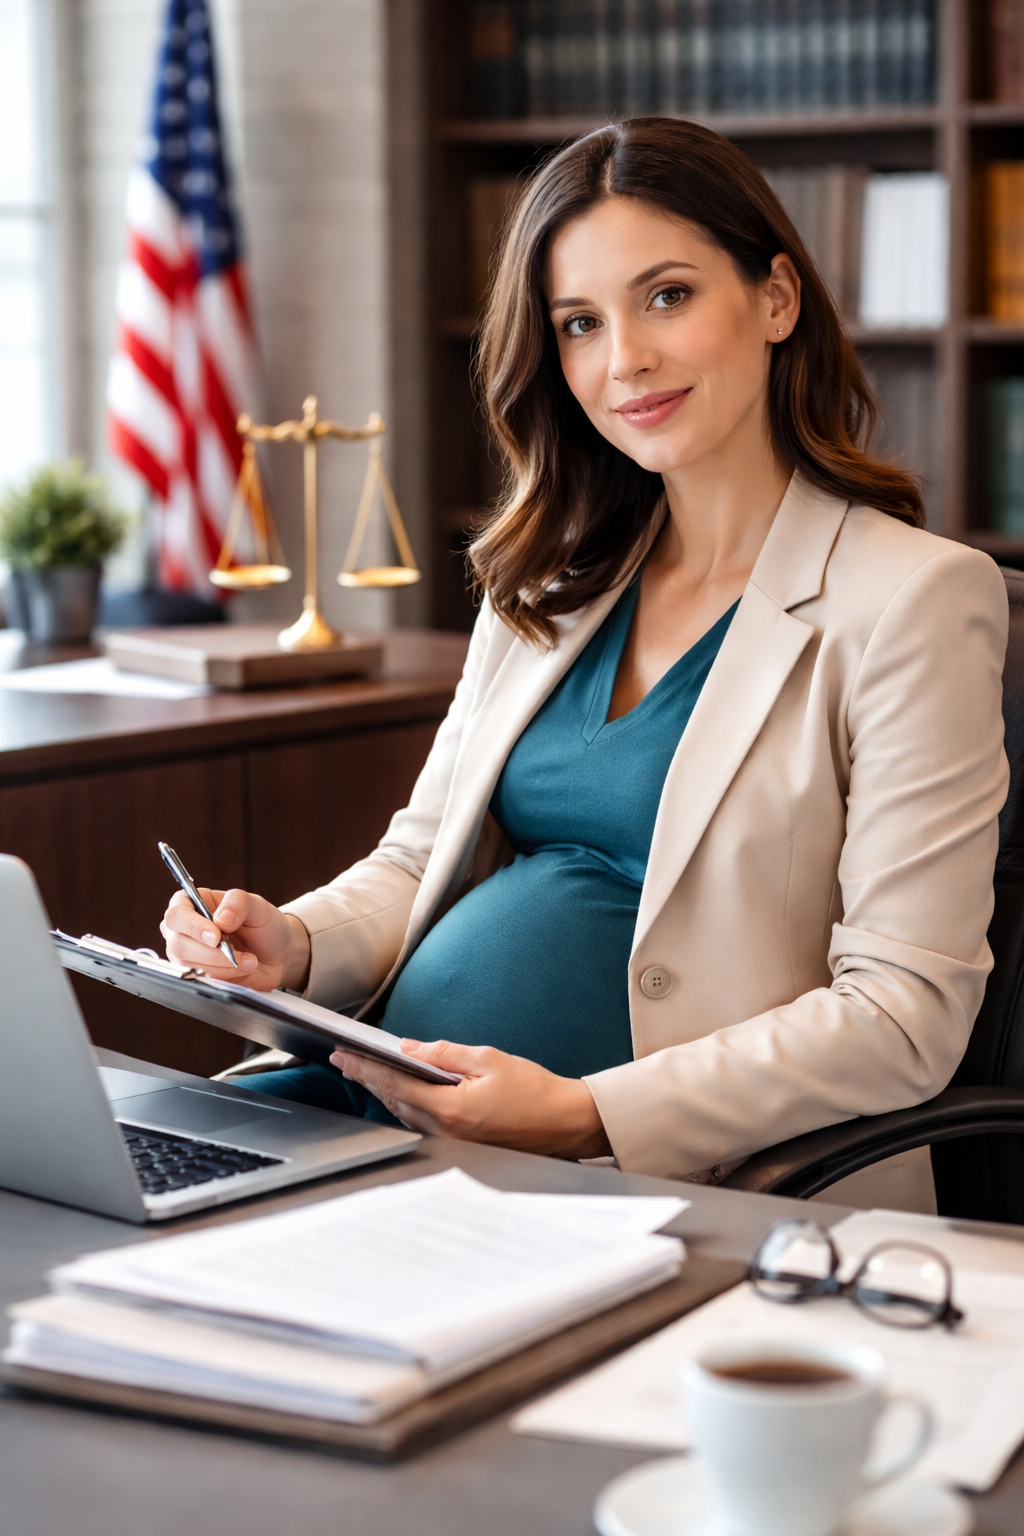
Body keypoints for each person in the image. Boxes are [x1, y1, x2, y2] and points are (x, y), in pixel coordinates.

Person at [163, 119, 1008, 1185]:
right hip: (371, 1100)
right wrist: (294, 942)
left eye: (667, 296)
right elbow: (418, 861)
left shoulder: (913, 599)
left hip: (638, 1173)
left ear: (776, 299)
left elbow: (902, 1016)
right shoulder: (549, 580)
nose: (625, 360)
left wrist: (582, 1112)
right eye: (577, 323)